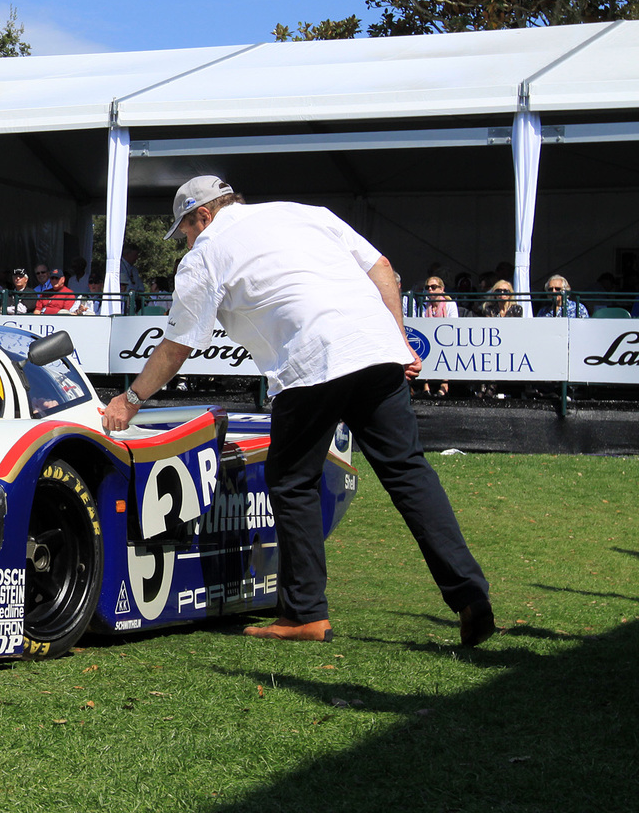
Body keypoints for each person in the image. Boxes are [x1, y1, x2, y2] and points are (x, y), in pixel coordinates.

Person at [101, 175, 494, 647]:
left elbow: (178, 344)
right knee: (409, 473)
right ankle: (471, 596)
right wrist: (400, 339)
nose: (185, 240)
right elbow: (382, 266)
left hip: (313, 363)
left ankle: (305, 613)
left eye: (184, 230)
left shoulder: (205, 254)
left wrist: (130, 400)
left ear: (203, 215)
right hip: (377, 350)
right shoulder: (304, 212)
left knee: (292, 480)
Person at [418, 275, 457, 398]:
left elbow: (454, 324)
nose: (430, 290)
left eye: (434, 287)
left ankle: (444, 385)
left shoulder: (450, 304)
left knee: (446, 351)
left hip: (447, 339)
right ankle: (426, 386)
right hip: (430, 338)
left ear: (441, 289)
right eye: (428, 287)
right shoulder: (425, 306)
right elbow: (422, 324)